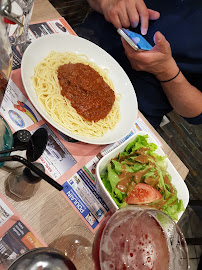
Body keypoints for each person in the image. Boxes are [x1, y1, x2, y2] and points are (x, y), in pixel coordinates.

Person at [74, 0, 202, 128]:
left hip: (132, 110)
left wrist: (165, 71)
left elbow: (196, 113)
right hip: (81, 50)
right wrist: (107, 3)